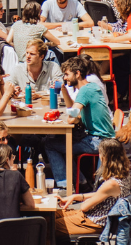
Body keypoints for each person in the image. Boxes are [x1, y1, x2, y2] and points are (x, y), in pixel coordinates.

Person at [46, 57, 116, 190]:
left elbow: (71, 118)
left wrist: (74, 118)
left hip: (99, 141)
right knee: (58, 142)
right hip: (103, 137)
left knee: (50, 145)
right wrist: (64, 90)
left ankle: (64, 186)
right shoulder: (89, 87)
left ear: (77, 73)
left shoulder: (84, 91)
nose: (65, 78)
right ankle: (81, 181)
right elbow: (73, 108)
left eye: (67, 74)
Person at [56, 138, 131, 242]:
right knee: (52, 215)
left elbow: (84, 207)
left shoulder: (111, 184)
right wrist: (76, 196)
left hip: (94, 222)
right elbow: (100, 194)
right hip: (92, 217)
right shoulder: (125, 175)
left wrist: (82, 200)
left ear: (105, 157)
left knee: (48, 225)